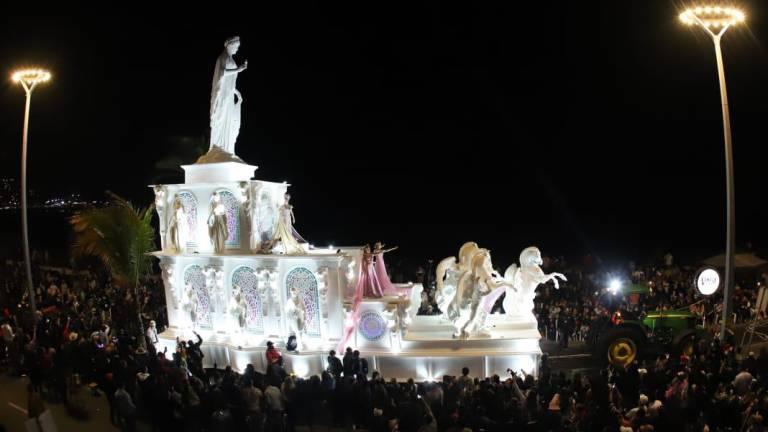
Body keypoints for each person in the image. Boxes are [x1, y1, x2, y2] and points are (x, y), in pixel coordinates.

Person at [209, 36, 248, 154]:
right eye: (236, 46)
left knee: (228, 120)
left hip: (229, 94)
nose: (237, 49)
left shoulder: (230, 59)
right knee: (221, 118)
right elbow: (222, 73)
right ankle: (217, 147)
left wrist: (235, 91)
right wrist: (238, 69)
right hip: (222, 95)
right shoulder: (223, 57)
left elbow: (229, 79)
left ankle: (226, 148)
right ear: (230, 45)